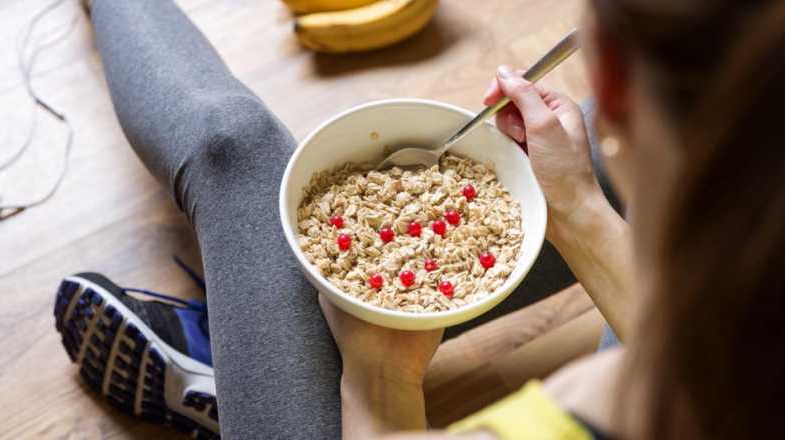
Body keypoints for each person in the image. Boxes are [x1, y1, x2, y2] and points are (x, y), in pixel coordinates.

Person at [57, 0, 785, 438]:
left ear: (615, 73)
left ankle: (251, 371)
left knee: (234, 148)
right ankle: (253, 361)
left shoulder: (587, 411)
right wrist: (578, 209)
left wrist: (378, 374)